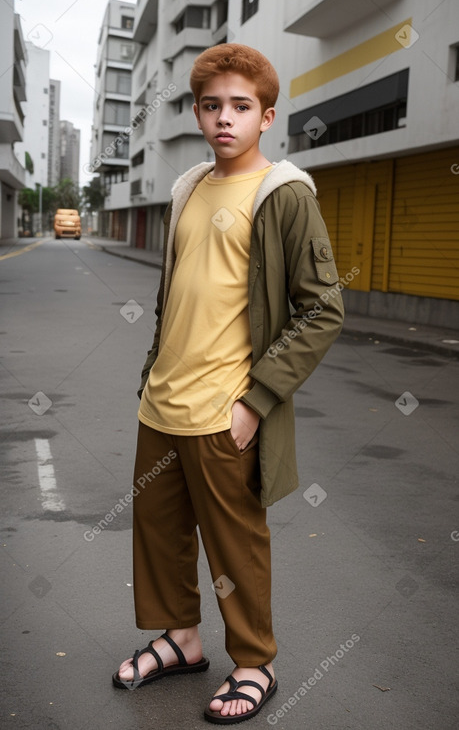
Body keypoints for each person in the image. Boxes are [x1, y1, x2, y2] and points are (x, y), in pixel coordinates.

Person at [112, 43, 344, 724]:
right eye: (212, 105)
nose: (224, 118)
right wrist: (154, 371)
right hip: (163, 402)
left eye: (240, 106)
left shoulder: (285, 194)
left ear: (266, 116)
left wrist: (256, 399)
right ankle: (181, 640)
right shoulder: (187, 187)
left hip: (226, 411)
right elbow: (178, 295)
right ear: (196, 111)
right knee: (159, 534)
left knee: (235, 544)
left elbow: (323, 307)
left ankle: (253, 663)